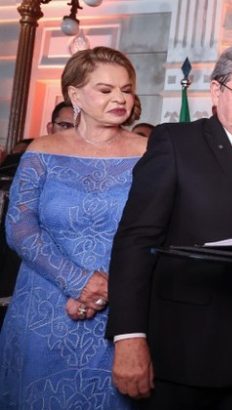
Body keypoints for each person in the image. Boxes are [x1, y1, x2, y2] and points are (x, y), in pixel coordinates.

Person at [105, 44, 232, 409]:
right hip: (187, 351)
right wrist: (128, 335)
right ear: (216, 91)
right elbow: (136, 241)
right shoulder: (176, 144)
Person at [0, 46, 146, 409]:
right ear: (75, 95)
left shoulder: (149, 153)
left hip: (121, 309)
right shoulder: (42, 150)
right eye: (106, 89)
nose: (119, 98)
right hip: (44, 307)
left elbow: (155, 230)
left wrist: (106, 290)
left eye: (126, 90)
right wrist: (77, 281)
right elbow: (19, 226)